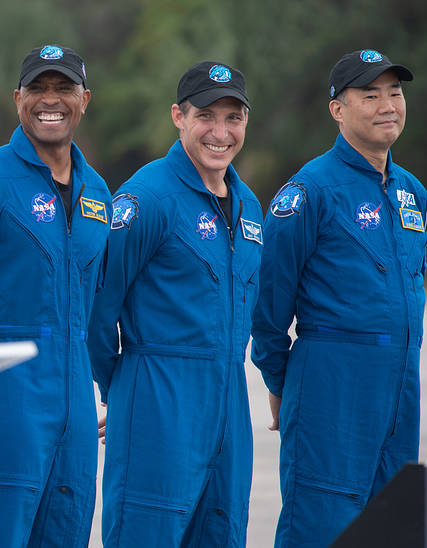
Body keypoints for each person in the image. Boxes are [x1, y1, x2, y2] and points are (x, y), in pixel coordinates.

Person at [0, 45, 110, 547]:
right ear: (17, 99)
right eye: (38, 89)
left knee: (66, 531)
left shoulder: (98, 194)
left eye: (64, 89)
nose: (50, 101)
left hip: (75, 403)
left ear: (84, 100)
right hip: (2, 392)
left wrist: (107, 385)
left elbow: (97, 304)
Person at [251, 49, 425, 547]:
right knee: (323, 528)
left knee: (394, 525)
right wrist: (288, 387)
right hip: (332, 387)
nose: (388, 105)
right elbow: (268, 311)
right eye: (370, 95)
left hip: (400, 386)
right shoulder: (310, 192)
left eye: (395, 92)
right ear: (337, 109)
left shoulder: (412, 192)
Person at [87, 61, 261, 547]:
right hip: (159, 395)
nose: (221, 132)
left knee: (223, 532)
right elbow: (99, 307)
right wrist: (121, 388)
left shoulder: (249, 206)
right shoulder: (147, 199)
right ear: (178, 117)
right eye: (207, 115)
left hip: (229, 396)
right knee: (149, 531)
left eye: (234, 118)